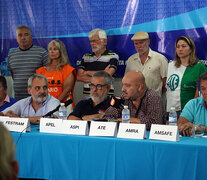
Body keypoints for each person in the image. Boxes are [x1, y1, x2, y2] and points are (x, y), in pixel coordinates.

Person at [166, 36, 207, 117]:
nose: (180, 49)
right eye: (178, 47)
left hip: (189, 112)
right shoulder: (170, 65)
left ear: (191, 49)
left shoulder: (199, 67)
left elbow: (201, 91)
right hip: (170, 111)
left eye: (184, 46)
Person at [7, 25, 48, 100]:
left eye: (26, 34)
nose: (23, 38)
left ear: (31, 37)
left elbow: (49, 75)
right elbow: (13, 74)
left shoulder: (42, 53)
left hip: (38, 99)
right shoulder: (11, 54)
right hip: (18, 99)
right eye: (20, 35)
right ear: (16, 38)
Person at [77, 28, 119, 96]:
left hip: (105, 97)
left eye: (95, 41)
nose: (92, 44)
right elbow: (79, 77)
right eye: (90, 41)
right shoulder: (86, 57)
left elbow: (108, 75)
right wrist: (102, 75)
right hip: (88, 97)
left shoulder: (113, 56)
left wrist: (87, 72)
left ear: (104, 41)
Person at [125, 31, 168, 97]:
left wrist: (155, 95)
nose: (139, 46)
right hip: (135, 100)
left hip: (154, 100)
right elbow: (127, 81)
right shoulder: (131, 60)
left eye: (141, 43)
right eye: (136, 43)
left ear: (148, 42)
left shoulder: (160, 59)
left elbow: (166, 82)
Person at [36, 40, 76, 110]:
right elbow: (36, 90)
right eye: (50, 49)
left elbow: (66, 92)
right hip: (44, 106)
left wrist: (53, 105)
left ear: (61, 51)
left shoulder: (68, 69)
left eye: (55, 49)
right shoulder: (40, 71)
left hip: (63, 107)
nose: (52, 51)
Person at [178, 71, 207, 136]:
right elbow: (180, 123)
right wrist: (185, 127)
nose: (206, 92)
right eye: (203, 89)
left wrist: (199, 128)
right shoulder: (193, 104)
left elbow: (198, 128)